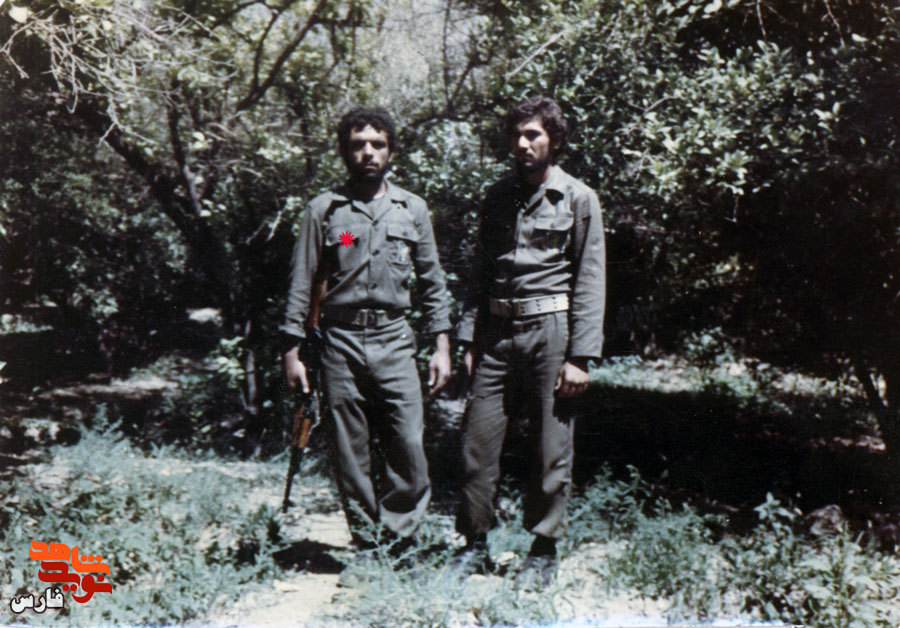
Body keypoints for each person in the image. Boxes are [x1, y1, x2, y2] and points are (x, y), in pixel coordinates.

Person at [280, 107, 451, 552]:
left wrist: (442, 346)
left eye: (378, 144)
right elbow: (303, 280)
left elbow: (432, 281)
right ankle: (367, 543)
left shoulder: (412, 209)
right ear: (345, 151)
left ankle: (399, 540)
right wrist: (291, 352)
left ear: (391, 150)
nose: (368, 153)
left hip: (395, 339)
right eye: (358, 145)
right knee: (348, 447)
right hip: (340, 342)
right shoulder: (325, 211)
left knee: (407, 441)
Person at [454, 96, 606, 581]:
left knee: (550, 445)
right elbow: (480, 272)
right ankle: (473, 543)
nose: (522, 144)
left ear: (555, 140)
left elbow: (590, 277)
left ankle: (543, 549)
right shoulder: (497, 198)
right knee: (477, 444)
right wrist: (467, 339)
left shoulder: (578, 198)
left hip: (551, 332)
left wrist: (581, 356)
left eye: (533, 135)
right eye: (516, 136)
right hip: (496, 333)